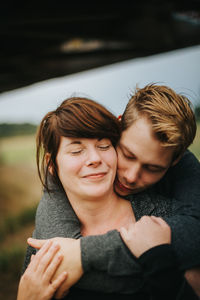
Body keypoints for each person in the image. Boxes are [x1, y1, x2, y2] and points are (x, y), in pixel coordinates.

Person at [23, 84, 200, 297]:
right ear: (117, 129)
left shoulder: (166, 210)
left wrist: (82, 254)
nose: (131, 177)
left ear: (174, 162)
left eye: (153, 168)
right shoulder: (46, 234)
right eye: (128, 154)